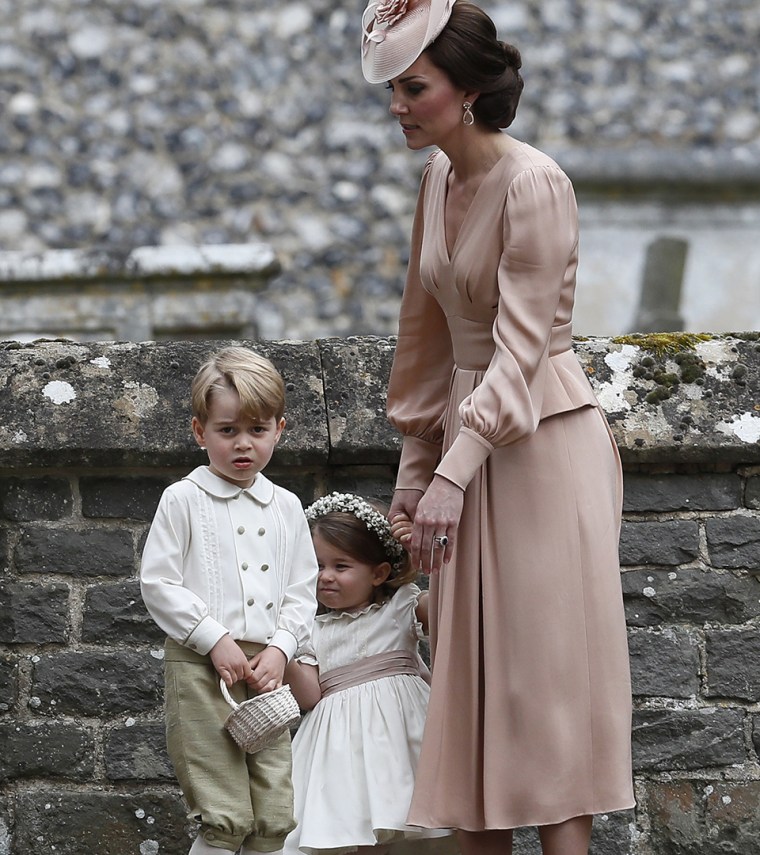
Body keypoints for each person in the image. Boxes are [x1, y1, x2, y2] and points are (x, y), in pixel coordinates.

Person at [360, 2, 635, 854]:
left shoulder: (535, 182)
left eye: (415, 87)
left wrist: (451, 474)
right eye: (396, 89)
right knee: (472, 692)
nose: (399, 105)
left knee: (544, 686)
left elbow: (517, 354)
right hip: (463, 456)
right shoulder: (437, 180)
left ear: (468, 91)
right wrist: (417, 476)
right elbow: (425, 344)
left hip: (542, 448)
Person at [140, 346, 318, 855]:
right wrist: (214, 638)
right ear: (200, 432)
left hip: (267, 672)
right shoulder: (182, 498)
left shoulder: (287, 507)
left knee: (273, 814)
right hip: (202, 668)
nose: (244, 444)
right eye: (227, 430)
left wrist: (282, 649)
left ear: (279, 430)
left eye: (258, 430)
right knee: (224, 812)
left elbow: (301, 591)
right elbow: (158, 582)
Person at [282, 492, 455, 855]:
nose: (325, 577)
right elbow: (310, 696)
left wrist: (430, 555)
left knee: (404, 820)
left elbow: (449, 612)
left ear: (379, 572)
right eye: (316, 567)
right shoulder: (310, 630)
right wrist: (282, 653)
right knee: (356, 830)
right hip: (339, 747)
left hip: (402, 734)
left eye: (340, 567)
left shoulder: (403, 604)